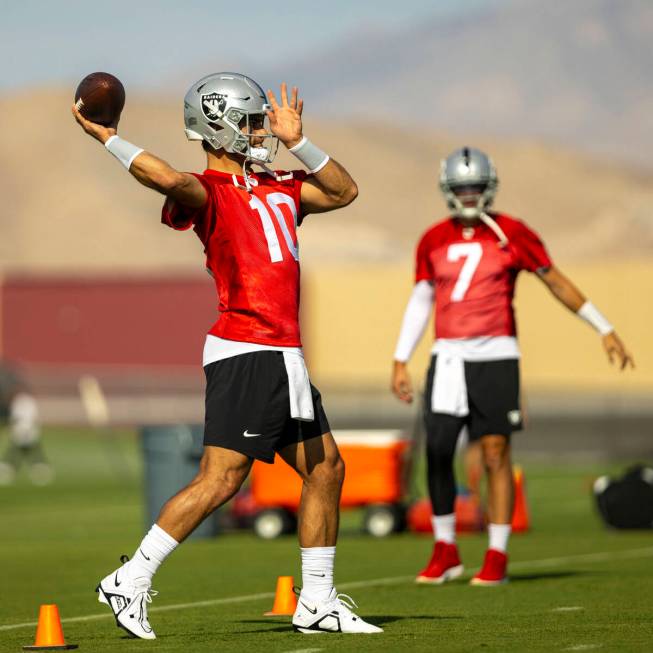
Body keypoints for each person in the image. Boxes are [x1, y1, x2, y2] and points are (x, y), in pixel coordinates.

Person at [72, 73, 381, 637]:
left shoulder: (282, 186)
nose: (262, 130)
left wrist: (299, 141)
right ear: (220, 126)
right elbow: (162, 176)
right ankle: (132, 577)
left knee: (327, 469)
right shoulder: (207, 193)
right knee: (221, 479)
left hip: (283, 353)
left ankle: (316, 601)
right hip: (247, 349)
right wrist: (106, 137)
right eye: (253, 121)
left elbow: (344, 191)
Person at [391, 146, 634, 586]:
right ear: (448, 189)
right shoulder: (432, 238)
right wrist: (400, 357)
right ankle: (445, 549)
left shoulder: (512, 233)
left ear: (489, 187)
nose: (469, 195)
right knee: (439, 450)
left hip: (496, 355)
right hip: (447, 356)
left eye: (476, 187)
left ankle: (497, 553)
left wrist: (603, 326)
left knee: (495, 452)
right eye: (462, 188)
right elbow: (422, 297)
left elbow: (553, 278)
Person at [0, 361, 53, 486]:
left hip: (24, 423)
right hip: (22, 423)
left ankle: (10, 467)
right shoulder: (19, 400)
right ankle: (38, 466)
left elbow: (23, 416)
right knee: (26, 445)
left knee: (22, 445)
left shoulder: (24, 401)